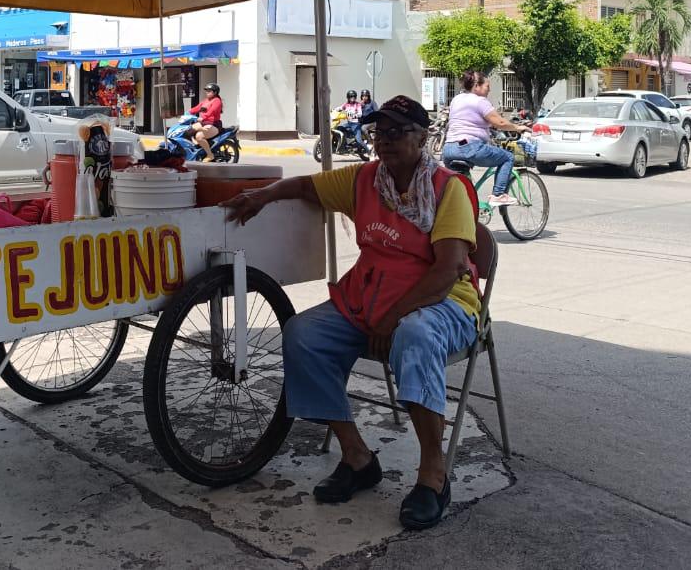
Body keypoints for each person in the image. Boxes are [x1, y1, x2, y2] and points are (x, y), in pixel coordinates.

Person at [223, 95, 479, 531]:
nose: (386, 141)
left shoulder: (445, 187)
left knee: (415, 337)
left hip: (442, 305)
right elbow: (308, 186)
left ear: (422, 138)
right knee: (304, 333)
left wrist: (392, 318)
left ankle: (433, 475)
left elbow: (445, 271)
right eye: (380, 132)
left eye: (398, 132)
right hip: (371, 300)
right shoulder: (364, 180)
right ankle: (357, 456)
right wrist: (263, 195)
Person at [440, 71, 529, 207]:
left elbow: (469, 120)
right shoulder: (480, 101)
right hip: (469, 147)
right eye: (487, 86)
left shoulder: (456, 100)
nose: (489, 90)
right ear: (477, 86)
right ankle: (498, 195)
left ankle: (466, 207)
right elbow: (499, 123)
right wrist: (517, 128)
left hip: (449, 149)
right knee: (507, 157)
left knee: (463, 188)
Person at [187, 82, 223, 162]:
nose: (207, 92)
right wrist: (187, 113)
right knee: (188, 130)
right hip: (204, 123)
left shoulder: (217, 101)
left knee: (199, 136)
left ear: (215, 92)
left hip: (213, 124)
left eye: (209, 91)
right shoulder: (206, 101)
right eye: (206, 91)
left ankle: (210, 155)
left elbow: (211, 111)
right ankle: (198, 148)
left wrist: (203, 117)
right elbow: (197, 108)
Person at [340, 90, 368, 156]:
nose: (352, 98)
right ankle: (344, 145)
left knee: (359, 140)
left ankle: (369, 152)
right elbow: (340, 108)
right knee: (339, 128)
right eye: (351, 97)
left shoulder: (357, 105)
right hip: (349, 123)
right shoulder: (346, 104)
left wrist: (353, 115)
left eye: (354, 97)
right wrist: (333, 110)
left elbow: (360, 114)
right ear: (348, 98)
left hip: (356, 124)